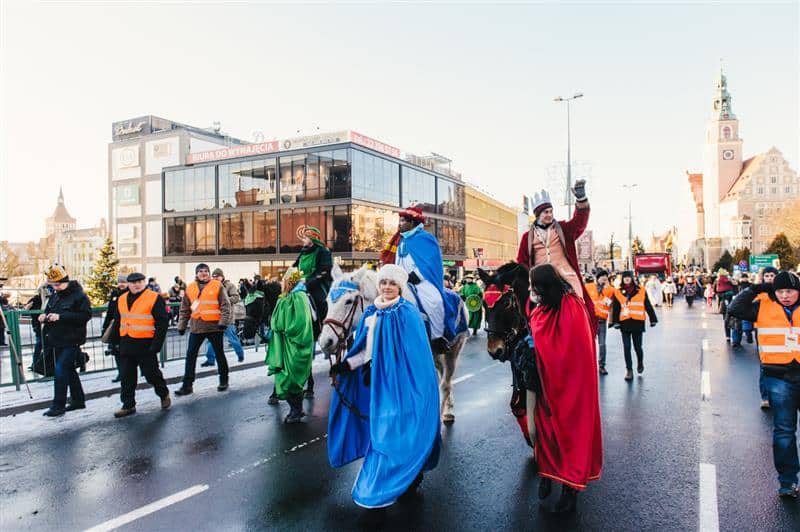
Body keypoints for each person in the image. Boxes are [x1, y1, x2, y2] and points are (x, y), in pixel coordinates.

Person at [328, 264, 440, 520]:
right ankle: (385, 481)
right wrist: (345, 366)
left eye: (392, 283)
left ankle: (409, 474)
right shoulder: (371, 313)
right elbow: (364, 350)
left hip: (403, 386)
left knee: (403, 432)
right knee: (384, 434)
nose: (387, 287)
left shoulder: (408, 313)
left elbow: (417, 357)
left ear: (400, 286)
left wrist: (416, 387)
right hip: (378, 386)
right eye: (383, 282)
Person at [528, 264, 603, 513]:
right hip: (546, 385)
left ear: (546, 286)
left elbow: (573, 350)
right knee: (546, 434)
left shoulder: (572, 306)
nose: (532, 291)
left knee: (571, 436)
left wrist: (541, 350)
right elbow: (538, 331)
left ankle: (570, 491)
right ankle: (548, 475)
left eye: (535, 287)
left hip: (570, 388)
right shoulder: (543, 308)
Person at [728, 271, 800, 498]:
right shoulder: (763, 305)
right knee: (784, 431)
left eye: (790, 291)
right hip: (778, 376)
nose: (785, 296)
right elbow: (735, 309)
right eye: (780, 291)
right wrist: (755, 289)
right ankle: (787, 480)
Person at [516, 180, 595, 330]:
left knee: (579, 306)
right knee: (529, 308)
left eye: (551, 211)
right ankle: (531, 332)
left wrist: (581, 199)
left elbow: (580, 222)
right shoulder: (528, 236)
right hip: (540, 280)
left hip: (565, 276)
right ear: (538, 215)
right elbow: (522, 261)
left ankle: (582, 329)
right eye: (546, 212)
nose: (549, 215)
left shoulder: (563, 229)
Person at [380, 206, 459, 351]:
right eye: (400, 220)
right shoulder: (400, 241)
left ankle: (437, 337)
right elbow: (397, 262)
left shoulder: (425, 239)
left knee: (434, 302)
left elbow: (429, 263)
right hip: (399, 282)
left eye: (403, 221)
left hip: (421, 282)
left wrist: (414, 276)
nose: (400, 224)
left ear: (412, 222)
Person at [108, 272, 171, 418]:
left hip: (145, 344)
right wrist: (114, 342)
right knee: (126, 376)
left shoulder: (154, 298)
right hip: (126, 342)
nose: (137, 285)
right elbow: (118, 321)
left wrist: (156, 345)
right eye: (133, 282)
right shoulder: (122, 299)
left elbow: (162, 323)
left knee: (151, 374)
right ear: (128, 284)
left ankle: (163, 393)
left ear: (144, 283)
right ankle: (128, 405)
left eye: (140, 282)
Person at [40, 264, 92, 417]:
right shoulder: (57, 295)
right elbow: (50, 310)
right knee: (68, 370)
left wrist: (61, 317)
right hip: (58, 338)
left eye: (58, 284)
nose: (55, 287)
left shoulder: (80, 296)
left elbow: (84, 317)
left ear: (66, 281)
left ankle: (58, 405)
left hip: (72, 339)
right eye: (53, 285)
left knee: (60, 370)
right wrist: (45, 316)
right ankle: (78, 400)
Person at [174, 263, 231, 396]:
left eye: (206, 271)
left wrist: (223, 322)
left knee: (219, 354)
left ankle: (223, 380)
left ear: (209, 273)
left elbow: (225, 305)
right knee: (190, 355)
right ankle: (187, 385)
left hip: (214, 326)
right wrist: (181, 326)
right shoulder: (190, 288)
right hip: (197, 327)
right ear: (196, 273)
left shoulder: (217, 285)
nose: (203, 273)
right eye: (200, 271)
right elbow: (184, 309)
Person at [266, 269, 315, 423]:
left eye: (285, 280)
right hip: (283, 345)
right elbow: (275, 319)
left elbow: (301, 323)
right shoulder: (285, 297)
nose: (283, 283)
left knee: (291, 380)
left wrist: (283, 328)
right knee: (282, 378)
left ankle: (296, 410)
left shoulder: (299, 297)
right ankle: (296, 409)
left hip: (294, 345)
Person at [610, 270, 658, 381]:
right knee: (626, 348)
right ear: (622, 279)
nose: (627, 279)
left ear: (632, 278)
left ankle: (640, 362)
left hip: (637, 323)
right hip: (625, 323)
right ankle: (629, 370)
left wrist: (652, 319)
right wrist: (615, 322)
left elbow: (647, 305)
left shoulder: (641, 290)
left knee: (638, 347)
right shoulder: (618, 292)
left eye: (628, 277)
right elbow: (615, 308)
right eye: (625, 277)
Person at [202, 268, 245, 366]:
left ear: (222, 276)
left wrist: (224, 300)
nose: (215, 278)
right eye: (213, 277)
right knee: (211, 340)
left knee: (232, 338)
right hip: (214, 318)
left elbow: (236, 297)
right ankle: (210, 360)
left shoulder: (229, 286)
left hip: (227, 319)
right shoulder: (211, 286)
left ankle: (240, 354)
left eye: (217, 276)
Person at [755, 266, 779, 409]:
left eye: (772, 275)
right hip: (763, 334)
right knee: (765, 366)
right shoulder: (760, 293)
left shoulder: (783, 293)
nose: (770, 278)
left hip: (783, 335)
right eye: (767, 275)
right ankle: (765, 397)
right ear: (763, 277)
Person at [585, 269, 615, 375]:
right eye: (602, 277)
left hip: (602, 320)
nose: (603, 279)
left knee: (602, 344)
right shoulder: (588, 287)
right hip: (589, 320)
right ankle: (589, 365)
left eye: (605, 277)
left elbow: (611, 306)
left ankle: (601, 365)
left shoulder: (610, 290)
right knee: (588, 344)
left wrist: (611, 320)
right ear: (597, 278)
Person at [101, 274, 129, 383]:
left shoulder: (129, 294)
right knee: (116, 351)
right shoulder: (115, 293)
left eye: (123, 282)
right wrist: (105, 326)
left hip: (126, 326)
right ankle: (121, 373)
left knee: (125, 352)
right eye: (120, 282)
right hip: (114, 326)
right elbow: (109, 311)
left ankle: (127, 373)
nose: (121, 284)